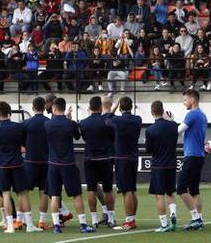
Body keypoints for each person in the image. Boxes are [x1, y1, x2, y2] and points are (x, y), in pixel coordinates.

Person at [44, 97, 95, 234]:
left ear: (54, 109)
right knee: (77, 195)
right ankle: (83, 224)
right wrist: (70, 119)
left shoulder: (47, 124)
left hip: (53, 164)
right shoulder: (70, 124)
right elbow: (77, 136)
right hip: (68, 164)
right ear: (64, 108)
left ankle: (56, 225)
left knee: (54, 196)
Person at [0, 101, 42, 233]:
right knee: (23, 193)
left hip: (2, 165)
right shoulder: (19, 127)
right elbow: (25, 144)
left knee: (6, 194)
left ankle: (10, 226)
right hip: (18, 163)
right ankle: (29, 225)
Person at [79, 96, 116, 229]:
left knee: (91, 190)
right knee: (108, 189)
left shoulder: (83, 123)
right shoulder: (107, 122)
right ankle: (111, 218)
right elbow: (112, 138)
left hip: (90, 159)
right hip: (105, 158)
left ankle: (94, 219)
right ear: (100, 107)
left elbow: (84, 137)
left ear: (89, 107)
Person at [106, 96, 142, 231]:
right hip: (133, 157)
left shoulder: (117, 120)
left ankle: (129, 221)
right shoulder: (138, 119)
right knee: (132, 189)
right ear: (131, 107)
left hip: (121, 158)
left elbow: (107, 119)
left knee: (126, 191)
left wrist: (114, 106)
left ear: (121, 107)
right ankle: (132, 219)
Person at [145, 101, 178, 233]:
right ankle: (173, 214)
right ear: (163, 110)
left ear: (152, 112)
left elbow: (149, 149)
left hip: (158, 165)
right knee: (170, 193)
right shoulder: (173, 126)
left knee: (159, 195)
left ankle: (164, 224)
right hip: (171, 164)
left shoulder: (150, 130)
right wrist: (171, 121)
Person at [177, 89, 208, 231]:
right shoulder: (202, 115)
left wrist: (167, 124)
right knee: (194, 190)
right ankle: (199, 219)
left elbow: (178, 130)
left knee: (181, 188)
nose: (184, 103)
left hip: (192, 155)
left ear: (192, 100)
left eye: (185, 100)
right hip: (199, 156)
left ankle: (196, 219)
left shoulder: (192, 114)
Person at [23, 97, 52, 230]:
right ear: (44, 106)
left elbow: (22, 141)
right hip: (45, 161)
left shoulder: (26, 123)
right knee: (44, 191)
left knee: (23, 192)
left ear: (33, 107)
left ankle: (20, 219)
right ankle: (41, 221)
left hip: (30, 161)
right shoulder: (49, 122)